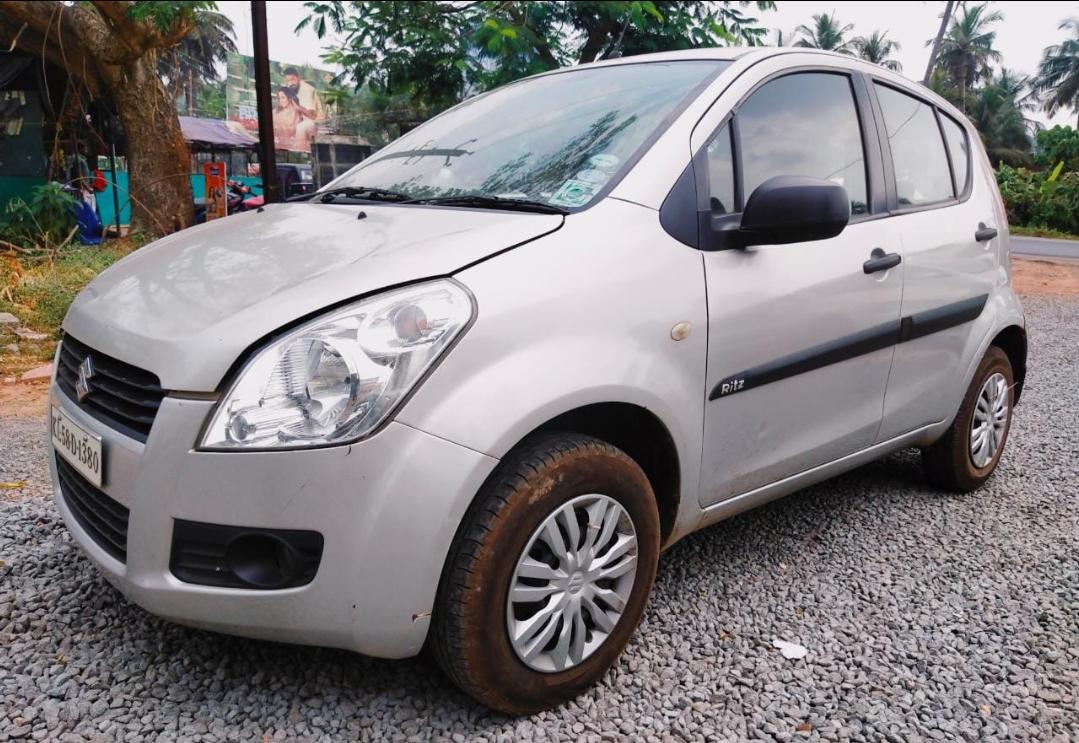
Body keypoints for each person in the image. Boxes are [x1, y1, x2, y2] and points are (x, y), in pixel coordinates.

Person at [272, 86, 317, 152]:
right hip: (280, 146)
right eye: (279, 98)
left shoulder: (296, 111)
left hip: (296, 146)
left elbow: (313, 117)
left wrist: (298, 107)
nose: (280, 101)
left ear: (289, 98)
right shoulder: (276, 112)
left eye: (283, 98)